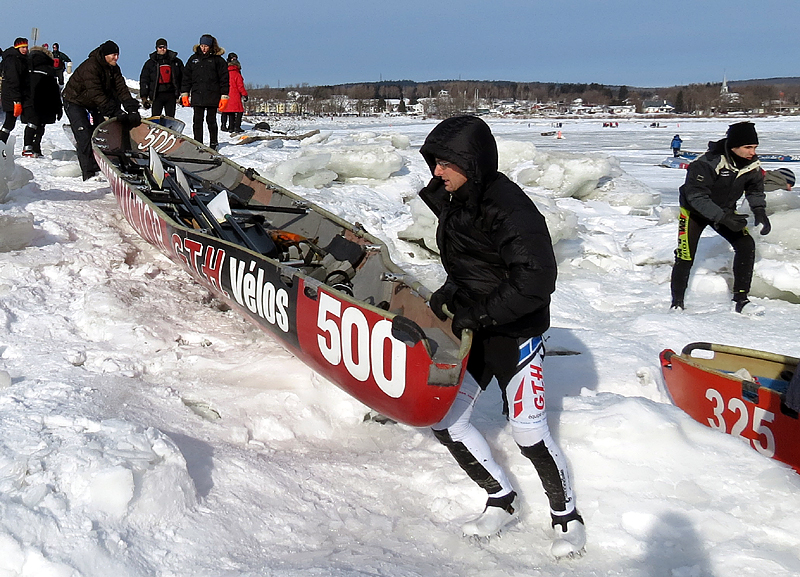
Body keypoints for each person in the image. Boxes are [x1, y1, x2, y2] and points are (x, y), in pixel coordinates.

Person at [418, 116, 585, 558]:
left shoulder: (509, 207)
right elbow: (471, 264)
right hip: (477, 330)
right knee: (447, 422)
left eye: (445, 163)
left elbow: (535, 278)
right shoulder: (459, 198)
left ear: (471, 163)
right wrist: (452, 292)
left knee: (528, 433)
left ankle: (566, 516)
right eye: (434, 161)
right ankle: (502, 499)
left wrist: (482, 312)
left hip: (515, 331)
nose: (437, 171)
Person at [670, 121, 769, 315]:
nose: (752, 152)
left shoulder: (752, 165)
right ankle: (677, 303)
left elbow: (755, 189)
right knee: (685, 255)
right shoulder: (706, 163)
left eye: (755, 147)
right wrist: (723, 218)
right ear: (734, 147)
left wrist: (760, 211)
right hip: (693, 212)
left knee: (746, 244)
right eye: (748, 147)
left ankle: (741, 300)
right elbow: (695, 196)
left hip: (724, 210)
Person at [61, 40, 141, 180]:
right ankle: (89, 173)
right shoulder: (91, 67)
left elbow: (121, 88)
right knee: (85, 136)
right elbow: (96, 93)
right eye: (113, 55)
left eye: (117, 55)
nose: (116, 58)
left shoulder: (113, 68)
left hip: (93, 103)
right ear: (104, 55)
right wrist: (115, 111)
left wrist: (132, 108)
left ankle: (101, 166)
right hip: (75, 101)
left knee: (100, 134)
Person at [180, 34, 228, 149]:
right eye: (202, 46)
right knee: (197, 120)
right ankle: (198, 143)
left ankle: (213, 143)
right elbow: (186, 77)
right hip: (197, 94)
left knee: (211, 120)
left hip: (212, 94)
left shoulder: (218, 60)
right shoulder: (193, 59)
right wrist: (185, 93)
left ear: (211, 46)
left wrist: (224, 95)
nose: (204, 48)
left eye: (206, 46)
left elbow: (224, 79)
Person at [21, 45, 63, 157]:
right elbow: (54, 89)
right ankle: (34, 147)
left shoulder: (25, 65)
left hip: (28, 99)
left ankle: (28, 147)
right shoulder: (48, 68)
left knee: (32, 123)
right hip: (44, 100)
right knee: (40, 124)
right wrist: (58, 107)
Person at [139, 38, 184, 118]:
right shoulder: (150, 63)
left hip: (171, 94)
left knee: (170, 118)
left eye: (164, 47)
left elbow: (183, 78)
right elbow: (144, 80)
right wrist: (144, 97)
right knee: (155, 117)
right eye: (160, 47)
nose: (162, 49)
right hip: (157, 95)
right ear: (156, 48)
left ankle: (170, 130)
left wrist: (183, 94)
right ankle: (154, 129)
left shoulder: (176, 62)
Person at [0, 38, 30, 145]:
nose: (25, 49)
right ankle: (1, 142)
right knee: (9, 122)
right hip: (11, 95)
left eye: (26, 47)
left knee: (10, 122)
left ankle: (2, 143)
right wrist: (16, 100)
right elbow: (13, 80)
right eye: (22, 47)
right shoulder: (13, 60)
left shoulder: (21, 59)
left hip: (16, 94)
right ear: (17, 48)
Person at [222, 52, 247, 134]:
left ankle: (227, 126)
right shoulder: (237, 74)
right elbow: (240, 86)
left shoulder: (225, 72)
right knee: (239, 111)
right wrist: (244, 94)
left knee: (227, 111)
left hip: (226, 93)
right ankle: (236, 127)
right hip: (235, 94)